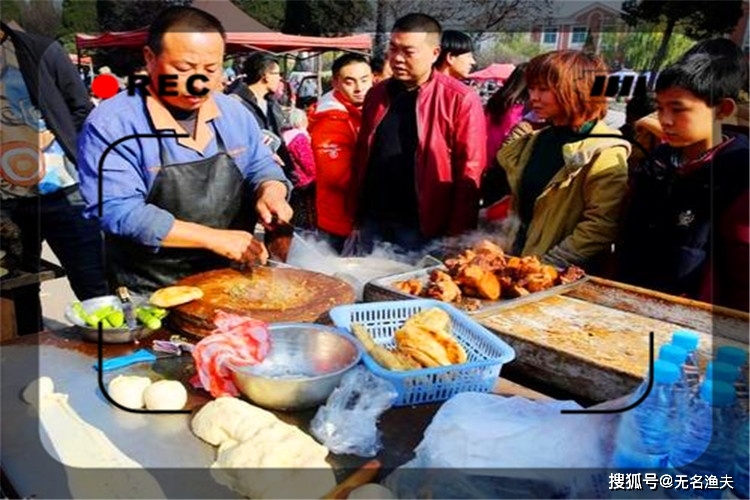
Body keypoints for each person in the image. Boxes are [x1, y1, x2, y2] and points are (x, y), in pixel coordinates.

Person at [77, 6, 292, 294]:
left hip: (234, 282)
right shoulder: (113, 124)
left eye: (210, 70)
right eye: (183, 69)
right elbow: (118, 210)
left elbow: (260, 164)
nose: (199, 83)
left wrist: (272, 190)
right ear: (150, 59)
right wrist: (212, 238)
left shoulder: (234, 113)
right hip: (152, 290)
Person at [617, 40, 749, 311]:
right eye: (660, 107)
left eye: (678, 109)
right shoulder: (657, 162)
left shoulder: (738, 175)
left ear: (723, 110)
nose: (664, 119)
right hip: (629, 304)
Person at [0, 21, 108, 335]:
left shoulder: (40, 50)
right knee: (17, 289)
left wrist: (57, 138)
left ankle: (106, 359)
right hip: (5, 204)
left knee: (94, 284)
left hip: (65, 191)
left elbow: (81, 108)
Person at [351, 13, 486, 254]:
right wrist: (356, 216)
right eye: (393, 49)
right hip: (375, 220)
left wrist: (457, 239)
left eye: (408, 51)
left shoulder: (460, 99)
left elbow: (470, 171)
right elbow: (363, 154)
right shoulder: (376, 94)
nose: (397, 58)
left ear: (435, 53)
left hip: (424, 228)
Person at [496, 50, 631, 271]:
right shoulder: (535, 141)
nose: (534, 97)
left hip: (561, 276)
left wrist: (547, 266)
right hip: (519, 261)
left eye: (544, 89)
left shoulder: (604, 150)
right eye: (532, 88)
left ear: (577, 91)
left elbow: (600, 226)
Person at [308, 53, 373, 253]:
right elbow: (337, 176)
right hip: (340, 219)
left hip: (357, 216)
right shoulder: (331, 120)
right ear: (336, 82)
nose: (359, 88)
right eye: (350, 81)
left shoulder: (362, 111)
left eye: (364, 80)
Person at [225, 52, 296, 184]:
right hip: (248, 180)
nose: (280, 79)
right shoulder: (234, 104)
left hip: (275, 175)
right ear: (265, 75)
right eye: (277, 74)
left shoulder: (272, 104)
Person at [482, 63, 528, 206]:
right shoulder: (521, 109)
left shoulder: (496, 101)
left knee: (489, 209)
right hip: (506, 164)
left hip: (488, 162)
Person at [281, 108, 316, 230]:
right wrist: (317, 175)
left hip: (290, 179)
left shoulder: (283, 135)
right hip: (304, 181)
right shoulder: (299, 137)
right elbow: (307, 161)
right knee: (306, 212)